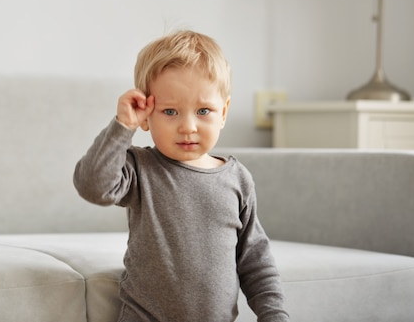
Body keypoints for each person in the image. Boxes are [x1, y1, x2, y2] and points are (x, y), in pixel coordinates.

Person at [73, 30, 290, 322]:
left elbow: (255, 261)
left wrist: (274, 315)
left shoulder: (237, 179)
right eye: (170, 111)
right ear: (147, 115)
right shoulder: (141, 168)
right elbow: (92, 185)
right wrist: (123, 126)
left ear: (223, 112)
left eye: (203, 110)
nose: (188, 126)